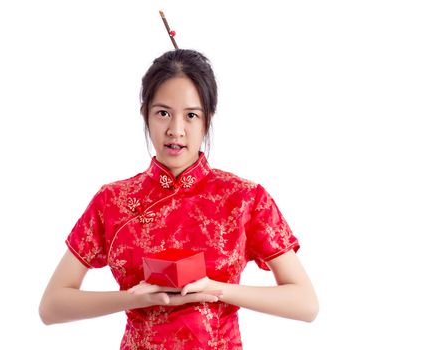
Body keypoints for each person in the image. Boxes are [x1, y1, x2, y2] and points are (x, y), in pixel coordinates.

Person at [39, 49, 319, 349]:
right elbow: (52, 306)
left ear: (207, 119)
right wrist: (135, 298)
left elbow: (304, 303)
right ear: (145, 114)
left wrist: (216, 290)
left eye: (191, 115)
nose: (176, 130)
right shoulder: (114, 200)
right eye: (163, 113)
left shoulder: (243, 198)